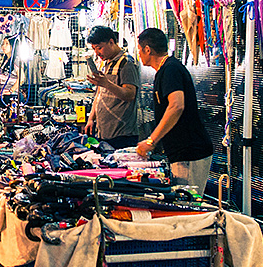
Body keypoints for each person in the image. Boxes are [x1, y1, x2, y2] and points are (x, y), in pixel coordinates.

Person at [133, 28, 214, 192]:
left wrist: (151, 141)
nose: (139, 54)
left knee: (189, 205)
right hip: (181, 152)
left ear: (147, 49)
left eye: (140, 50)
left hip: (190, 152)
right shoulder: (164, 70)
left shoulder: (171, 70)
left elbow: (176, 106)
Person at [85, 25, 141, 149]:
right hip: (104, 132)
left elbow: (130, 95)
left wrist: (106, 84)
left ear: (111, 42)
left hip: (121, 135)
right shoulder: (106, 64)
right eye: (94, 49)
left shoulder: (126, 63)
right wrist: (91, 118)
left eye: (99, 48)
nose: (97, 53)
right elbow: (99, 95)